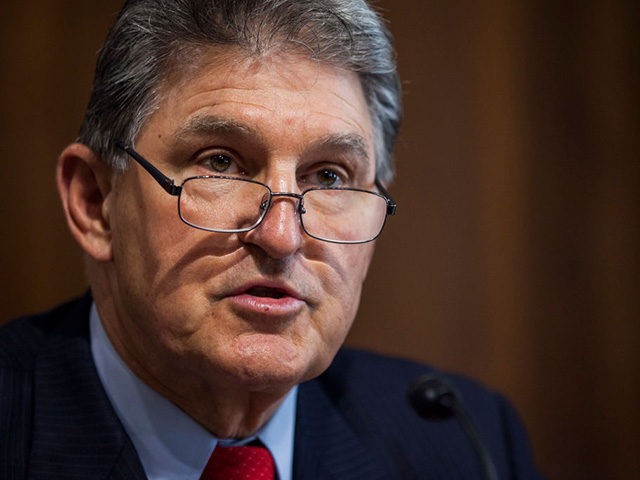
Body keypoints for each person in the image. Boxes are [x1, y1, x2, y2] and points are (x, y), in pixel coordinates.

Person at [0, 1, 542, 478]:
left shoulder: (463, 442)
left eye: (329, 176)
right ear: (96, 202)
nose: (281, 237)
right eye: (221, 163)